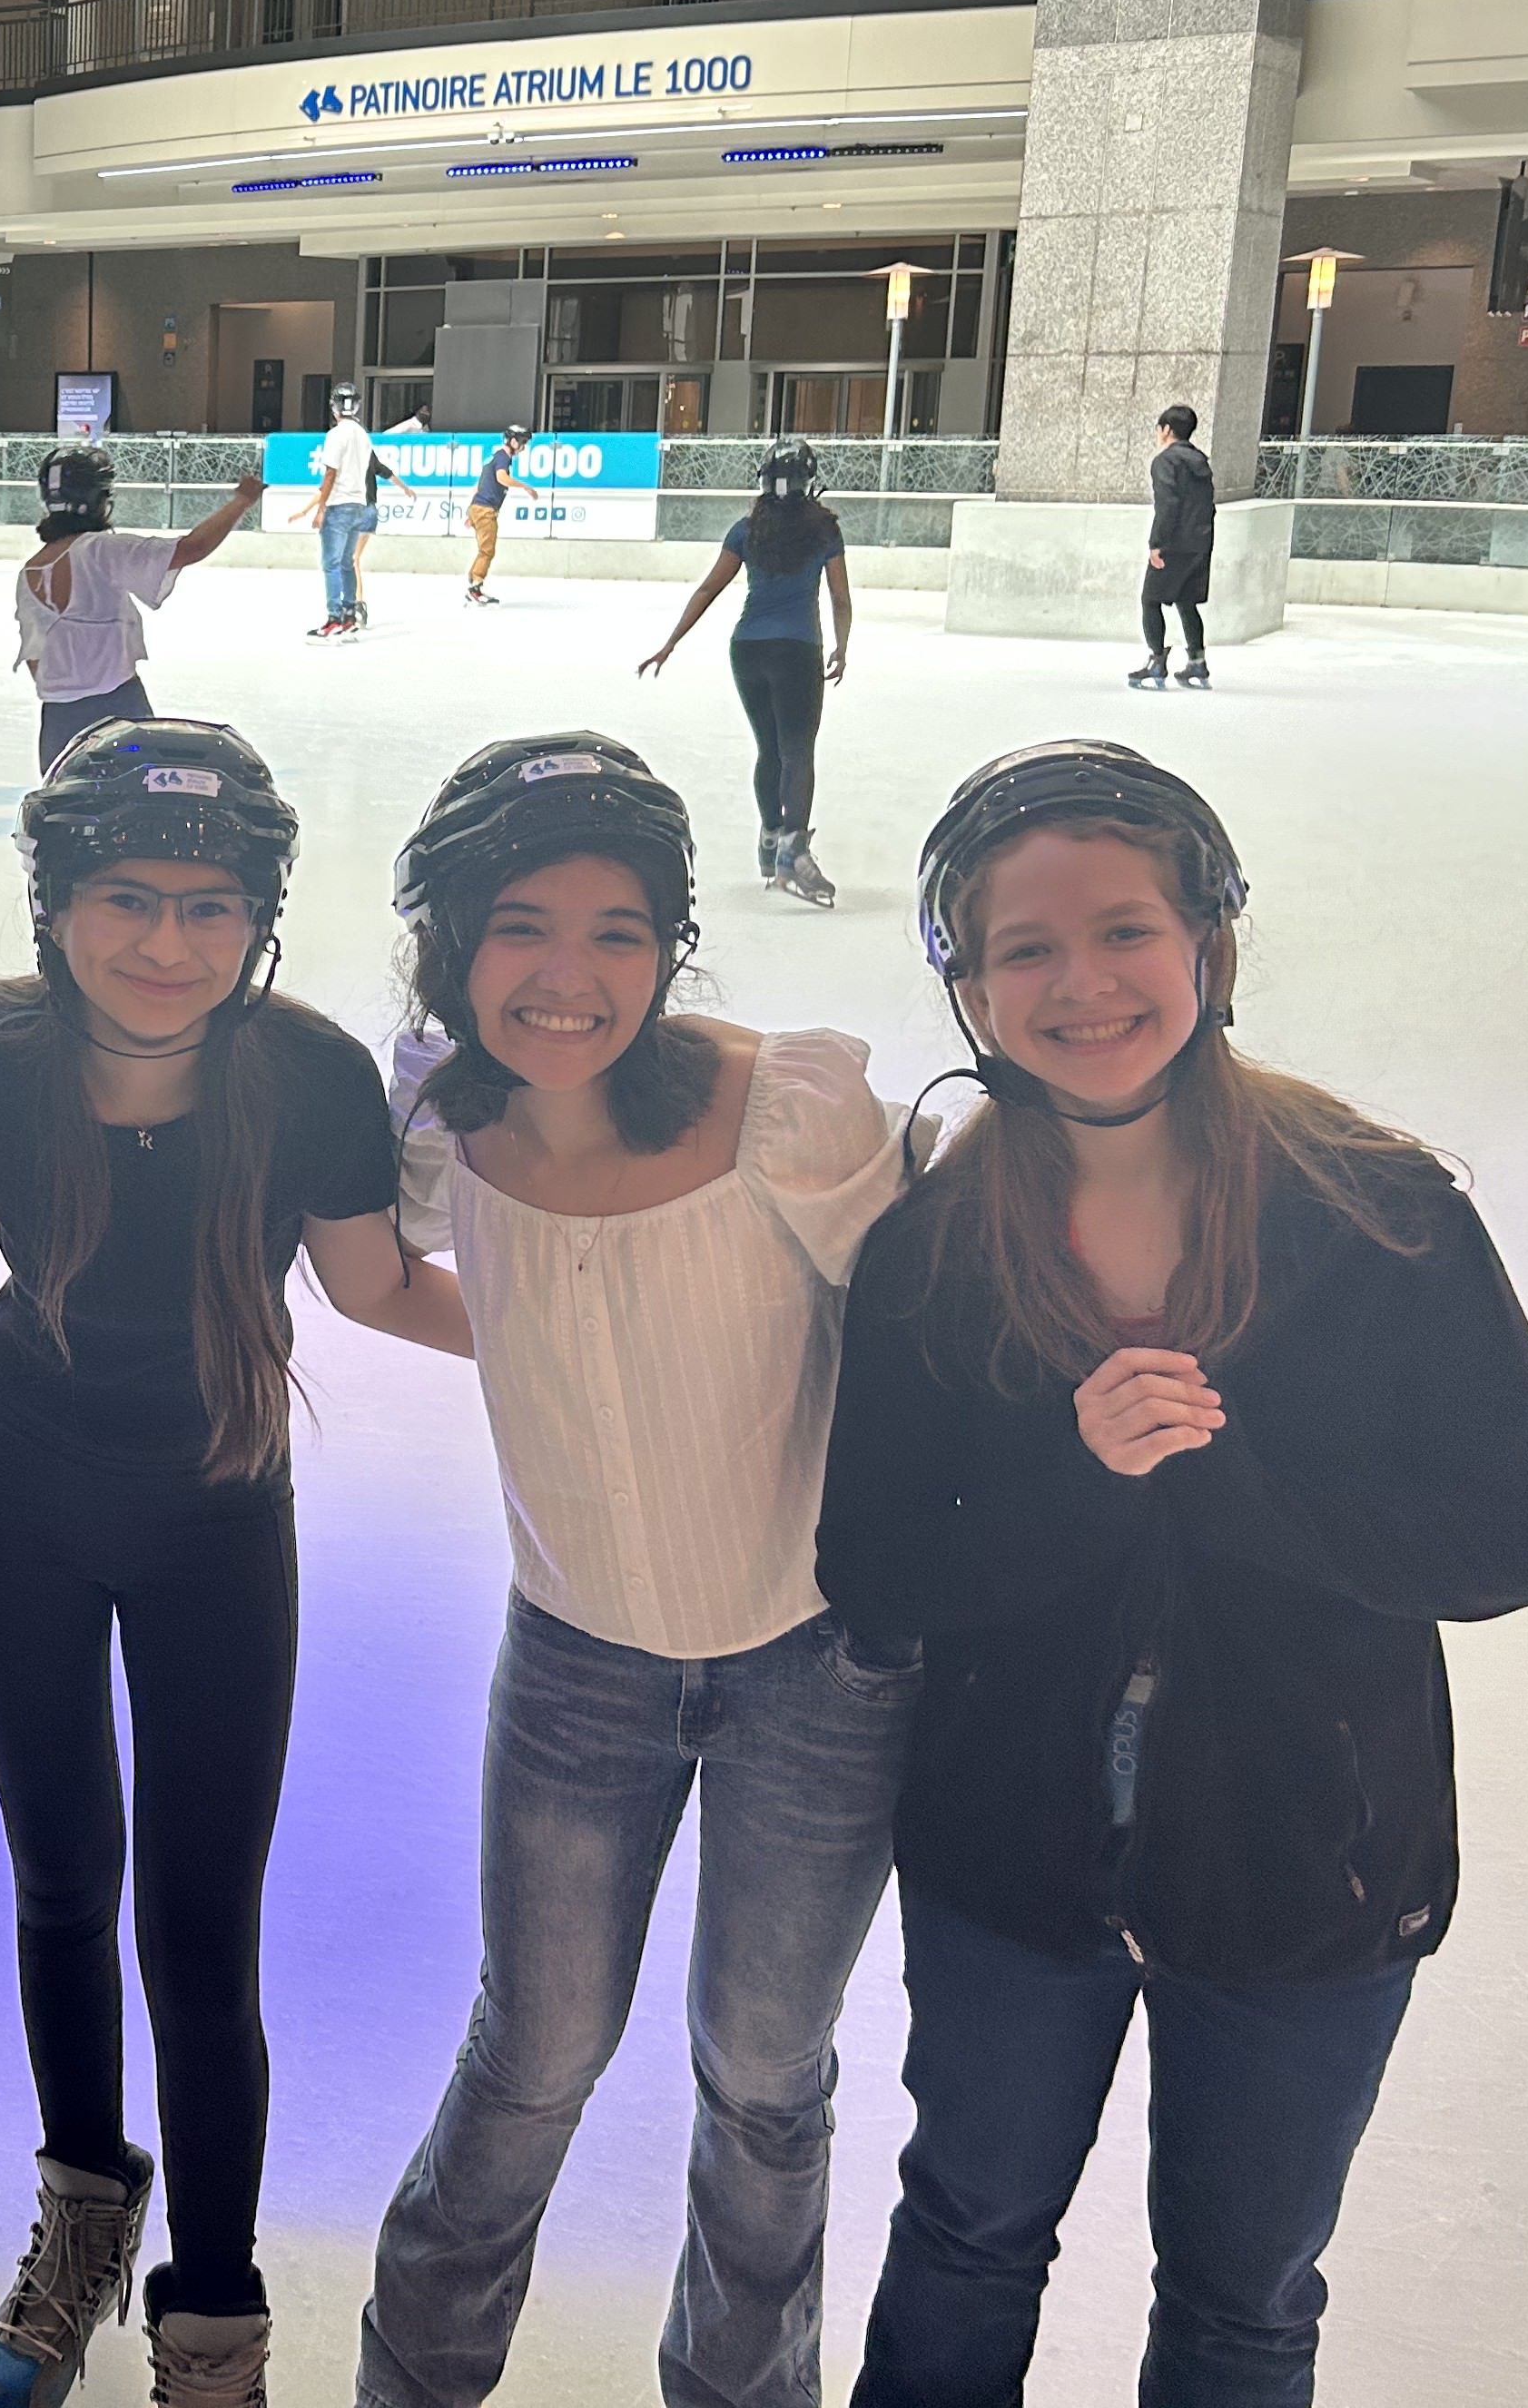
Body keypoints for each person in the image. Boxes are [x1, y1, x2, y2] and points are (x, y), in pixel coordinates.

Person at [820, 742, 1528, 2408]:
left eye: (1122, 929)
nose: (1078, 982)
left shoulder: (1374, 1210)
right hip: (1009, 1865)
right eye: (1020, 946)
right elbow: (873, 1568)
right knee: (967, 2234)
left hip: (1308, 1865)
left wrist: (1231, 1479)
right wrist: (1081, 1478)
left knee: (1243, 2297)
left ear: (1206, 943)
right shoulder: (932, 1248)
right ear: (962, 979)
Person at [357, 734, 925, 2408]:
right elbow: (387, 1281)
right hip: (577, 1669)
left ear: (670, 946)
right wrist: (549, 1355)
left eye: (620, 930)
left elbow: (925, 1343)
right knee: (529, 2056)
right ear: (452, 935)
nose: (568, 974)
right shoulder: (440, 1118)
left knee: (764, 2070)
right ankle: (415, 2381)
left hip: (816, 1669)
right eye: (521, 923)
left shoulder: (790, 1107)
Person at [0, 724, 465, 2408]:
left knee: (198, 1926)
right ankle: (81, 2221)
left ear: (260, 920)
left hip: (221, 1510)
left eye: (211, 906)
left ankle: (209, 2314)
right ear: (55, 903)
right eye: (126, 898)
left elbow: (378, 1287)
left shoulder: (300, 1076)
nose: (168, 942)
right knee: (62, 1880)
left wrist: (607, 1343)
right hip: (15, 1494)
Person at [637, 436, 854, 910]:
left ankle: (770, 836)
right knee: (798, 751)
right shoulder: (825, 530)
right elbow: (839, 596)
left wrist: (672, 641)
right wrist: (843, 643)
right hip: (797, 651)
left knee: (769, 749)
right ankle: (792, 852)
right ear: (809, 480)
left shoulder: (747, 529)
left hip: (748, 650)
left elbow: (708, 589)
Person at [15, 446, 265, 774]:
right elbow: (191, 548)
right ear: (100, 500)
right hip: (119, 712)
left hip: (58, 722)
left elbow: (36, 661)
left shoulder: (31, 571)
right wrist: (242, 502)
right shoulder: (100, 550)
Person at [293, 384, 409, 640]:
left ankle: (334, 618)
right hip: (359, 504)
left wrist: (320, 508)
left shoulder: (336, 435)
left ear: (334, 406)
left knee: (331, 564)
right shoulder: (362, 435)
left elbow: (331, 472)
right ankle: (349, 615)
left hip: (339, 505)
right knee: (347, 563)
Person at [1139, 402, 1215, 690]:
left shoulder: (1166, 462)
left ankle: (1156, 661)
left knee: (1150, 599)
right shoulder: (1201, 463)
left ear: (1167, 430)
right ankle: (1197, 661)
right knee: (1186, 602)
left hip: (1174, 544)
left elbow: (1167, 505)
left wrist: (1157, 544)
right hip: (1200, 542)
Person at [463, 427, 528, 607]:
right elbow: (501, 478)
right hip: (485, 509)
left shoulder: (494, 458)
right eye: (523, 443)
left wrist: (471, 512)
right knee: (487, 551)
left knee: (485, 550)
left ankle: (474, 583)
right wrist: (525, 487)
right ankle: (475, 588)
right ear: (513, 441)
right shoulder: (503, 458)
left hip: (478, 507)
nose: (523, 448)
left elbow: (480, 485)